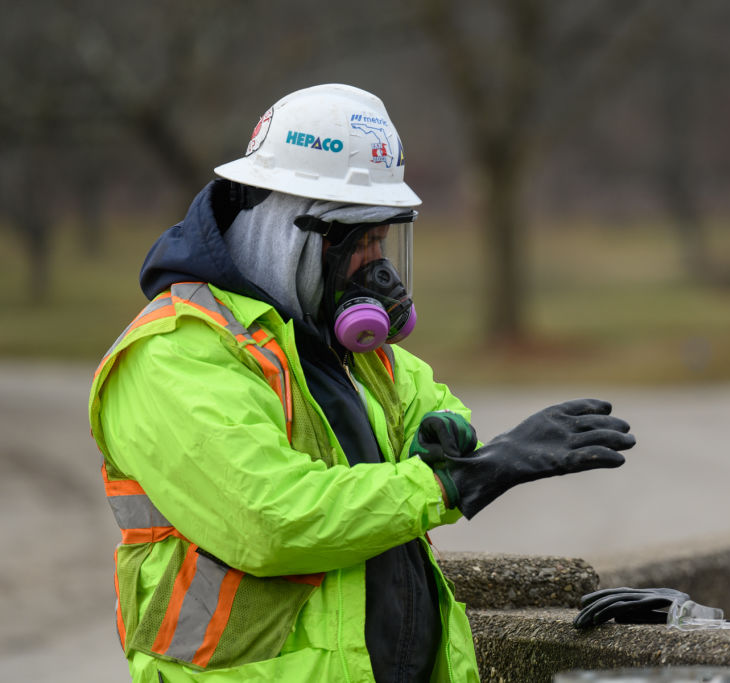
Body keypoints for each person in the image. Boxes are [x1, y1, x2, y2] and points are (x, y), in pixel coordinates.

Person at [87, 83, 635, 682]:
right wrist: (450, 482)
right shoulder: (175, 353)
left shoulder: (337, 342)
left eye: (384, 238)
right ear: (289, 233)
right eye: (362, 241)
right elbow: (273, 521)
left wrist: (447, 438)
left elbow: (431, 404)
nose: (378, 266)